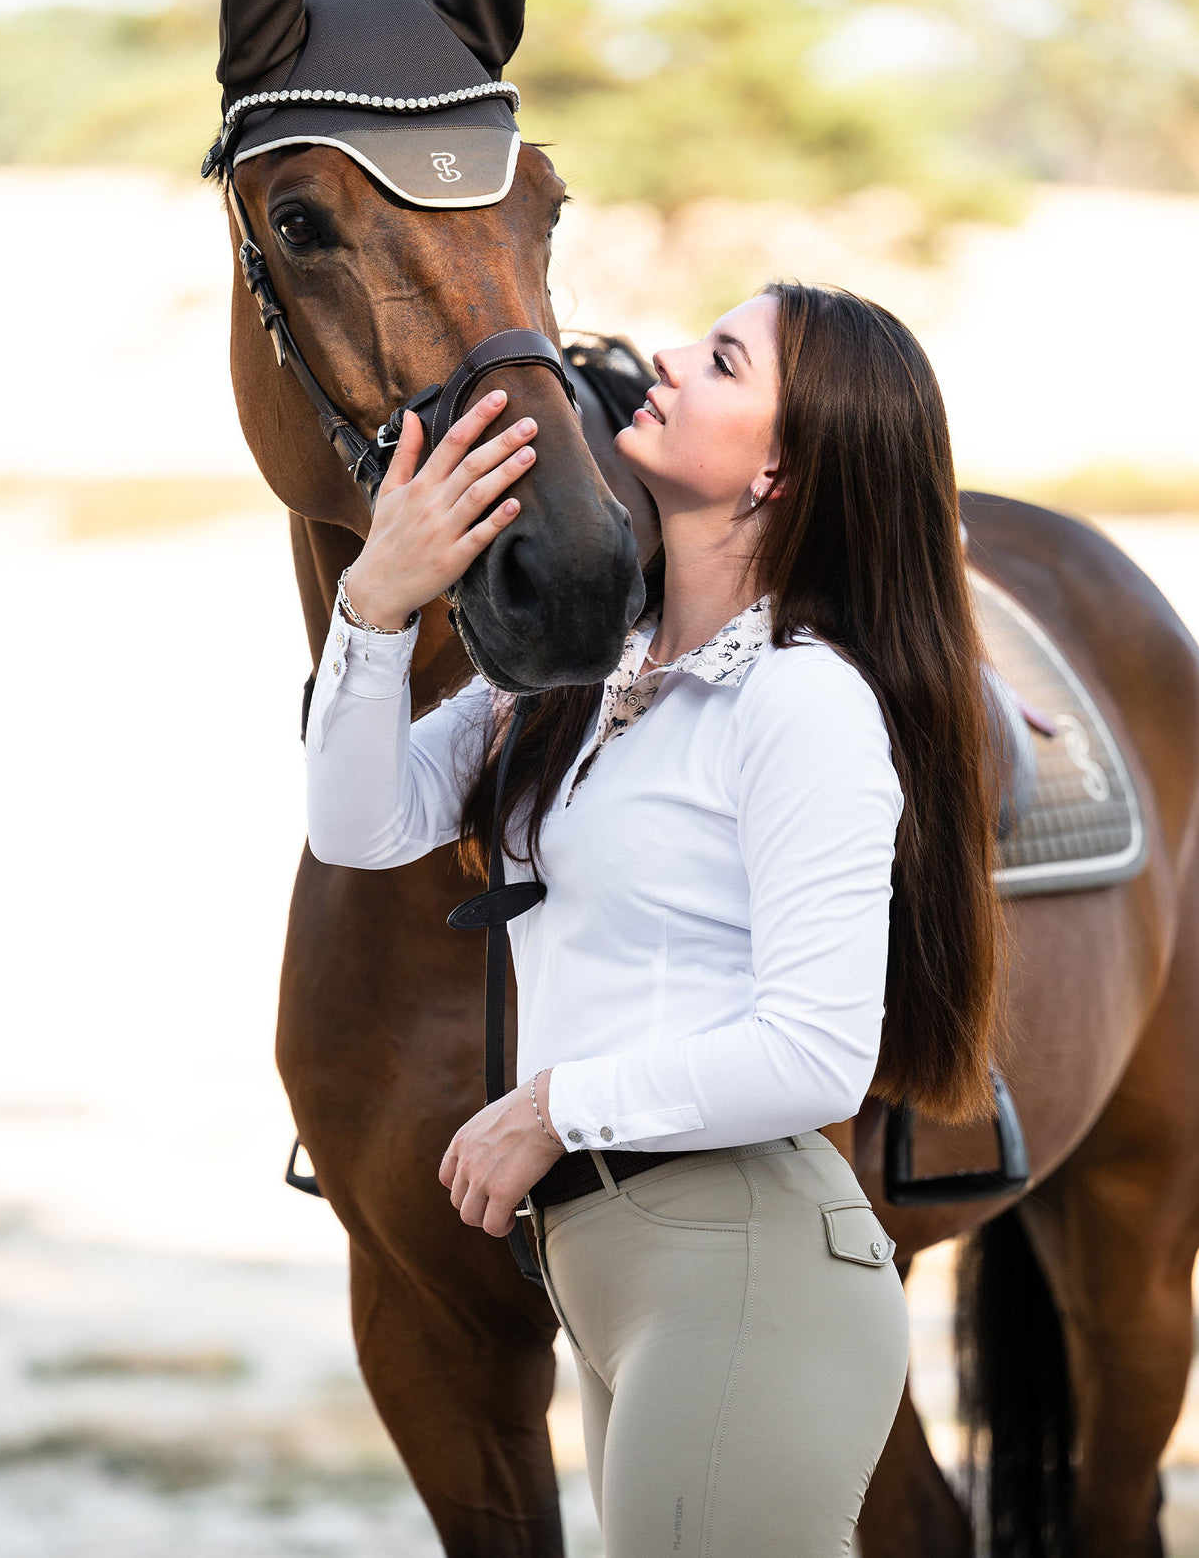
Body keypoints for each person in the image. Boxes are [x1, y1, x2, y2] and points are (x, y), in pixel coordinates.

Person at [304, 280, 1002, 1556]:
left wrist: (549, 1102)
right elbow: (365, 825)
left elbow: (816, 1051)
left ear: (780, 470)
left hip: (743, 1262)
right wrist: (375, 608)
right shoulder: (590, 674)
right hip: (619, 1269)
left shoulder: (799, 704)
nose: (669, 356)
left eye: (724, 360)